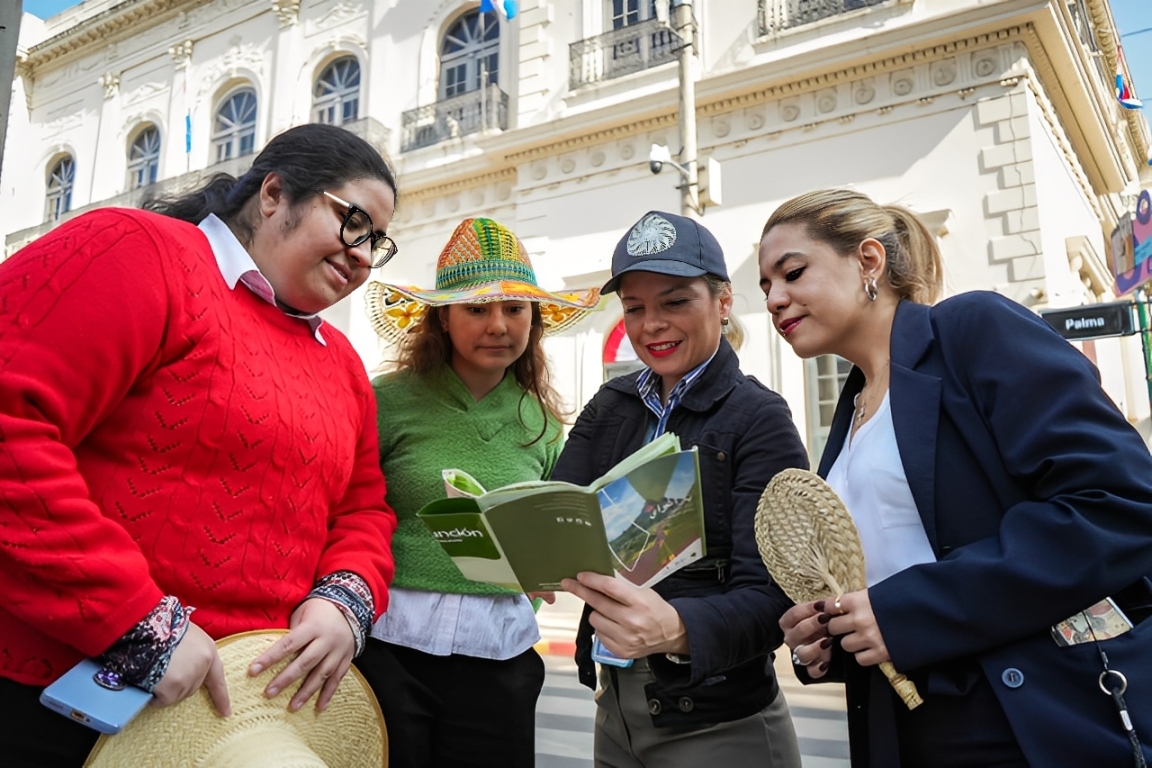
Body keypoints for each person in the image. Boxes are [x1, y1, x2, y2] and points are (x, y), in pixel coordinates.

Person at [0, 123, 400, 767]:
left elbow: (364, 509)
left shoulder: (344, 366)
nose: (361, 254)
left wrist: (343, 601)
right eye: (353, 222)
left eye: (377, 243)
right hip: (50, 701)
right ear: (273, 194)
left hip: (244, 723)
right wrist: (134, 622)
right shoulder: (136, 251)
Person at [760, 188, 1152, 767]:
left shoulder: (971, 329)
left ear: (869, 261)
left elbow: (1120, 503)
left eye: (791, 272)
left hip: (1024, 719)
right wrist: (832, 636)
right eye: (765, 286)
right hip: (907, 728)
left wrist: (905, 613)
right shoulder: (852, 411)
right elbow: (897, 568)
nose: (773, 299)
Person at [553, 210, 808, 767]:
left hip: (718, 721)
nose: (651, 326)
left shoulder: (759, 418)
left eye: (674, 302)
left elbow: (777, 596)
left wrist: (678, 629)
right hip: (615, 705)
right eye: (634, 308)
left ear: (722, 301)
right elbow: (560, 512)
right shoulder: (611, 405)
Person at [353, 217, 600, 768]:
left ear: (533, 321)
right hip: (388, 653)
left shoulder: (541, 423)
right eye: (476, 308)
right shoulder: (385, 402)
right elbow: (348, 509)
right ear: (442, 318)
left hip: (501, 660)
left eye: (515, 309)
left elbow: (551, 534)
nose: (498, 325)